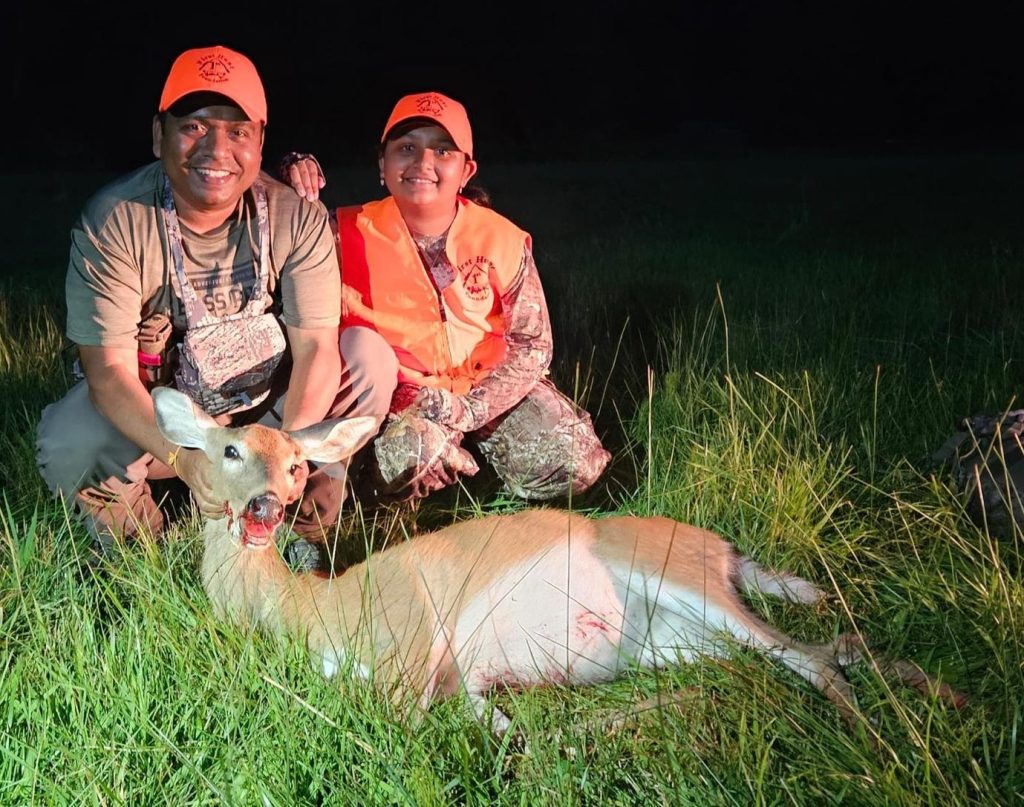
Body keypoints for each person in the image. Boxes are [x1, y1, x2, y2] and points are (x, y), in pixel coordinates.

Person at [35, 45, 392, 558]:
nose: (217, 149)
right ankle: (144, 554)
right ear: (160, 135)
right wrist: (185, 461)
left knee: (367, 357)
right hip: (176, 430)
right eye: (195, 126)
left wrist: (279, 458)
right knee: (73, 436)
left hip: (267, 418)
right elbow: (108, 373)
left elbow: (316, 348)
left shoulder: (296, 218)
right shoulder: (113, 221)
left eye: (238, 131)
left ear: (261, 141)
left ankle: (300, 535)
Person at [280, 91, 610, 505]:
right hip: (406, 400)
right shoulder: (340, 232)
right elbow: (271, 219)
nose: (423, 164)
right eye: (406, 149)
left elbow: (532, 345)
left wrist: (471, 410)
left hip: (485, 388)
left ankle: (481, 457)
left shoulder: (501, 238)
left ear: (466, 169)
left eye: (442, 151)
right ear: (382, 164)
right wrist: (291, 174)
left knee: (574, 461)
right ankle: (385, 495)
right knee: (411, 456)